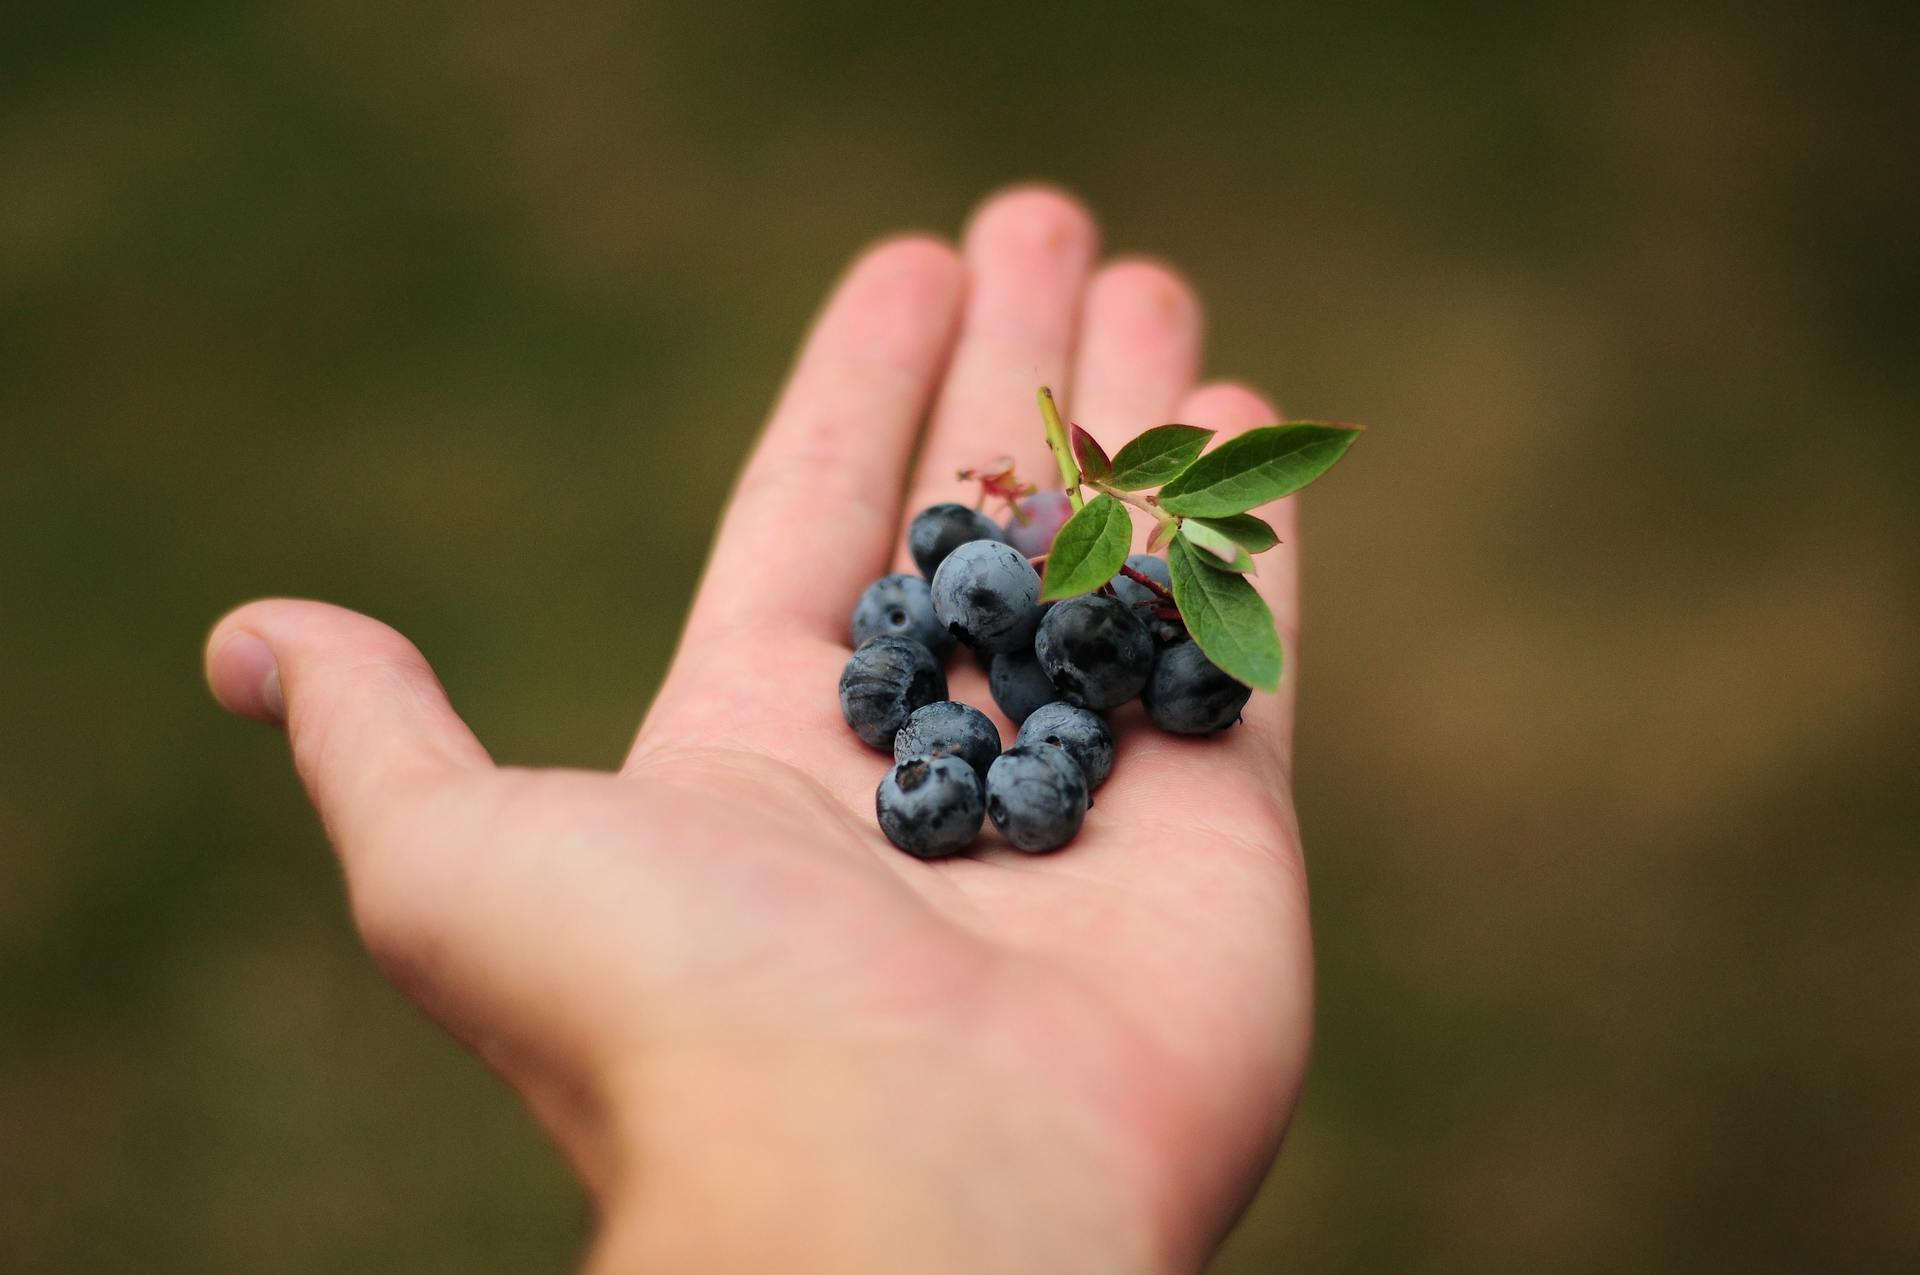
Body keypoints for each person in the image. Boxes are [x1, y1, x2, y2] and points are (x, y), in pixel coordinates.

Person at [203, 186, 1314, 1273]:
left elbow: (1050, 669)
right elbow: (1010, 656)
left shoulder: (1041, 666)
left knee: (1047, 650)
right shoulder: (982, 659)